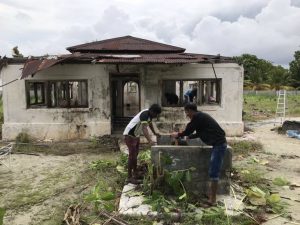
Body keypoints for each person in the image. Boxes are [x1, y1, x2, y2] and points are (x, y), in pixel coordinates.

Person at [171, 103, 227, 205]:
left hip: (219, 145)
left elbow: (189, 130)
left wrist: (178, 134)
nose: (187, 115)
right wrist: (190, 137)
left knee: (213, 172)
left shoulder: (197, 117)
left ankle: (212, 200)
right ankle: (211, 196)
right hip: (217, 144)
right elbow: (200, 132)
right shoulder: (201, 117)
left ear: (190, 110)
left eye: (186, 112)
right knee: (213, 171)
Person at [123, 104, 162, 183]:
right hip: (129, 135)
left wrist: (155, 133)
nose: (156, 116)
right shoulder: (145, 114)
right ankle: (129, 177)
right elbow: (144, 128)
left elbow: (150, 124)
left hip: (135, 135)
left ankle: (135, 173)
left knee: (135, 155)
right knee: (132, 156)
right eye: (156, 114)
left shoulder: (149, 116)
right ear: (152, 111)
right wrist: (150, 140)